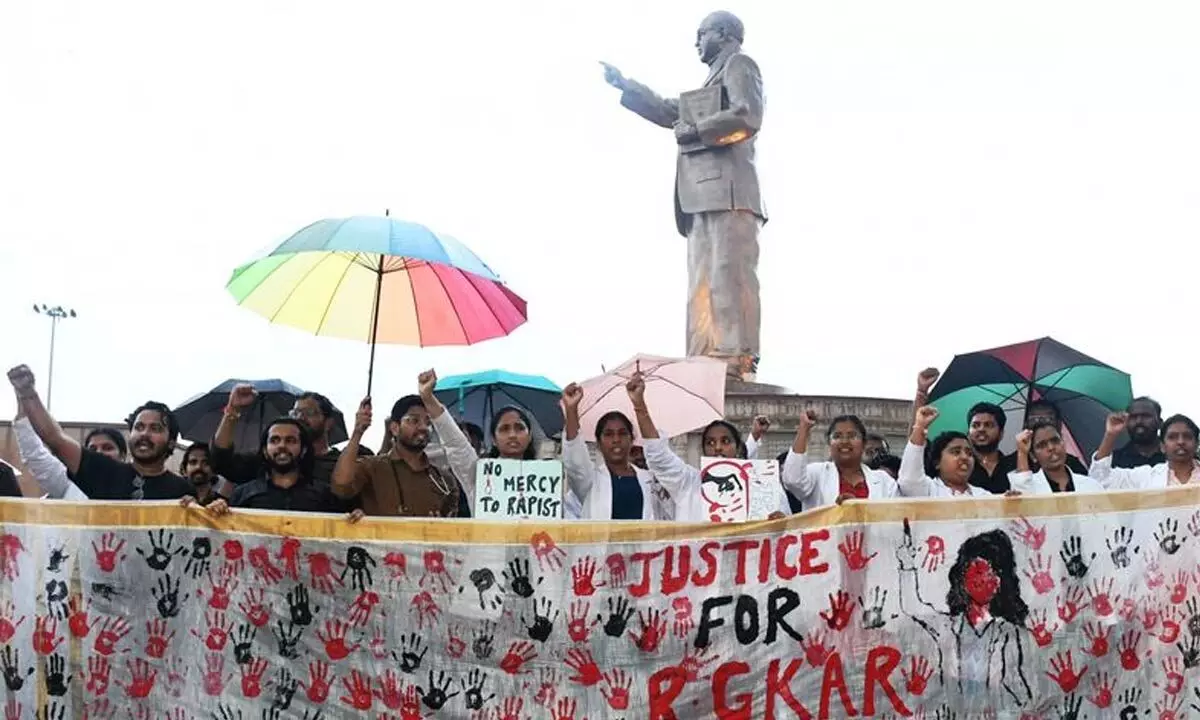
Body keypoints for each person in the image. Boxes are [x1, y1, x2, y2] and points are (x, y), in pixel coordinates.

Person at [601, 11, 765, 380]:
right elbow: (671, 111)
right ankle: (704, 356)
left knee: (729, 274)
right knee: (702, 282)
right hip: (702, 194)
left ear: (723, 34)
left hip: (731, 191)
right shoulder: (712, 79)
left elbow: (747, 117)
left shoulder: (740, 64)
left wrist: (696, 131)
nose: (696, 43)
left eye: (701, 34)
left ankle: (734, 356)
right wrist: (628, 87)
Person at [8, 364, 191, 501]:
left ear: (172, 442)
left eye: (155, 428)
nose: (144, 433)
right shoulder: (102, 471)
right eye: (139, 427)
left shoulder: (183, 491)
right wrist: (27, 393)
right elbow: (55, 438)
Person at [896, 526, 1032, 710]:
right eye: (974, 570)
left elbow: (1015, 682)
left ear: (999, 582)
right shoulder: (947, 627)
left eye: (988, 572)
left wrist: (1029, 709)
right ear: (962, 577)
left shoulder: (1006, 633)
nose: (980, 578)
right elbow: (912, 606)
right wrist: (906, 564)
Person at [627, 372, 788, 521]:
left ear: (738, 448)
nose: (717, 447)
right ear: (703, 451)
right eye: (710, 443)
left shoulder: (763, 487)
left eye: (725, 441)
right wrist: (639, 405)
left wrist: (781, 523)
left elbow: (789, 531)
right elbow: (658, 456)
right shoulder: (689, 483)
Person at [331, 370, 474, 518]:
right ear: (394, 428)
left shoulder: (444, 479)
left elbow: (451, 529)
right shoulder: (373, 467)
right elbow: (341, 486)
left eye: (428, 422)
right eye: (414, 420)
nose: (423, 427)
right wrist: (358, 432)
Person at [197, 418, 357, 518]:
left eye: (290, 440)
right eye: (274, 440)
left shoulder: (324, 496)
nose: (282, 446)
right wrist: (216, 514)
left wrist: (357, 520)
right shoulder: (243, 495)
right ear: (265, 450)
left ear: (303, 449)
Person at [560, 382, 671, 520]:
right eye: (608, 434)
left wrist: (639, 403)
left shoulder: (649, 479)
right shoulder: (590, 481)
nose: (616, 439)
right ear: (599, 443)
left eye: (622, 433)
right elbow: (575, 462)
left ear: (632, 439)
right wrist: (571, 410)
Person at [781, 410, 899, 508]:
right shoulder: (817, 473)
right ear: (829, 443)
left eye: (852, 436)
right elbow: (792, 480)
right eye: (837, 436)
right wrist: (804, 429)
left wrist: (857, 508)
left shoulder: (884, 481)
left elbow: (893, 517)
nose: (844, 442)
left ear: (864, 444)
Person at [1090, 412, 1200, 488]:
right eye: (1172, 437)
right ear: (1162, 446)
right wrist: (1110, 435)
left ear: (1196, 444)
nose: (1180, 442)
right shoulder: (1146, 477)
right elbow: (1101, 479)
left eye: (1187, 436)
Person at [899, 407, 992, 497]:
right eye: (956, 452)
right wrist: (920, 428)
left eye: (969, 453)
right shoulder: (927, 490)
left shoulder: (984, 496)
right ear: (937, 463)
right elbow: (908, 480)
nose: (964, 457)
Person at [1008, 422, 1102, 494]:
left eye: (1055, 441)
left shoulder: (1091, 485)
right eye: (1042, 445)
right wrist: (1022, 452)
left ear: (1063, 443)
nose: (1051, 448)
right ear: (1033, 456)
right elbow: (1024, 503)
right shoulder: (1029, 487)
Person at [965, 402, 1012, 494]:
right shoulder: (961, 466)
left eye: (988, 425)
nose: (981, 429)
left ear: (1001, 433)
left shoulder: (1014, 466)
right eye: (975, 425)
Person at [1111, 397, 1166, 468]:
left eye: (1146, 416)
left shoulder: (1175, 456)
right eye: (1133, 417)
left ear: (1160, 423)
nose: (1139, 421)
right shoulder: (1115, 460)